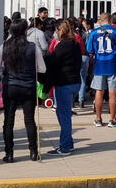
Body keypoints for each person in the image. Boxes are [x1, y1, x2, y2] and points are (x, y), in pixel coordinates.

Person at [0, 19, 46, 162]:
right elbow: (42, 69)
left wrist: (7, 69)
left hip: (10, 86)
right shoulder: (32, 47)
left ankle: (9, 154)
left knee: (8, 121)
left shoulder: (4, 47)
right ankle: (33, 152)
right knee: (29, 120)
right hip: (28, 87)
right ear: (24, 31)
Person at [44, 20, 82, 154]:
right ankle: (68, 143)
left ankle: (65, 146)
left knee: (64, 116)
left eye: (57, 30)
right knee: (64, 114)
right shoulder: (75, 44)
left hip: (64, 83)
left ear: (61, 31)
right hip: (75, 82)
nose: (56, 33)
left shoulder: (62, 45)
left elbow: (52, 61)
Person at [86, 13, 116, 127]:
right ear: (109, 20)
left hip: (100, 64)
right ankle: (112, 119)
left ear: (101, 20)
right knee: (112, 94)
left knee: (99, 92)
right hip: (113, 64)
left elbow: (89, 49)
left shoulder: (94, 32)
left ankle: (98, 118)